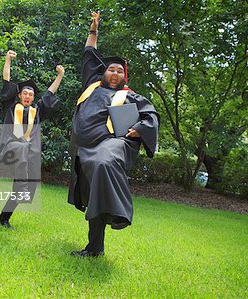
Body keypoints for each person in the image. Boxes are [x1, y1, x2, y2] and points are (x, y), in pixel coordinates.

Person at [68, 12, 160, 257]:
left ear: (124, 76)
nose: (115, 73)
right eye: (111, 69)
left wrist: (139, 128)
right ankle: (94, 248)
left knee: (104, 162)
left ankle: (120, 213)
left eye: (120, 71)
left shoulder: (130, 96)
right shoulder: (91, 85)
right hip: (83, 151)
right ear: (103, 73)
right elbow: (89, 53)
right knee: (93, 195)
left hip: (111, 144)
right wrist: (94, 29)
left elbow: (150, 116)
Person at [0, 50, 65, 229]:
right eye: (25, 93)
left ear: (34, 98)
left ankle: (4, 217)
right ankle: (22, 187)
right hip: (12, 146)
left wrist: (60, 75)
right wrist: (8, 60)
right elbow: (6, 80)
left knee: (26, 189)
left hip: (30, 154)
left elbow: (50, 92)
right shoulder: (11, 106)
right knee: (21, 150)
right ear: (19, 95)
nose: (28, 96)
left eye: (31, 95)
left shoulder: (37, 110)